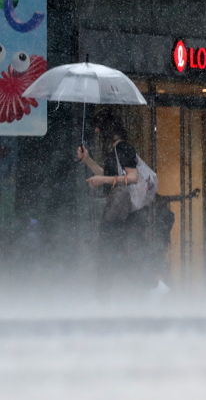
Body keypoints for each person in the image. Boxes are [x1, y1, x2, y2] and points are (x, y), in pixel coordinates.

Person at [76, 108, 150, 300]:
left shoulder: (123, 148)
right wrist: (87, 160)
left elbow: (132, 177)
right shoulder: (116, 150)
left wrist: (103, 181)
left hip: (122, 215)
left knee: (111, 255)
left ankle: (110, 298)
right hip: (118, 214)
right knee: (114, 256)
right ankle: (114, 296)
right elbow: (106, 173)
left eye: (99, 128)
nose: (97, 132)